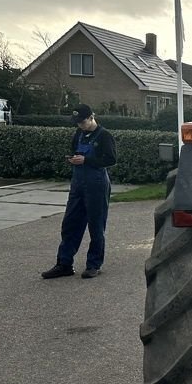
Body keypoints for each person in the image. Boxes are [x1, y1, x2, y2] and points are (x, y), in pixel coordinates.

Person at [41, 104, 117, 280]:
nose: (80, 126)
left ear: (91, 117)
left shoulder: (104, 136)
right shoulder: (78, 134)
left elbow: (111, 159)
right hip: (78, 184)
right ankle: (64, 264)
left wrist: (87, 160)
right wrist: (73, 158)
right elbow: (74, 149)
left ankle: (93, 264)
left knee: (96, 225)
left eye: (82, 122)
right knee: (70, 224)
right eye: (77, 123)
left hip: (96, 184)